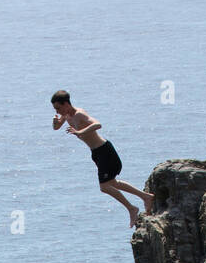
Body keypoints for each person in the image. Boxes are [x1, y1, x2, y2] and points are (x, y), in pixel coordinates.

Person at [51, 90, 154, 227]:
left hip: (105, 151)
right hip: (96, 153)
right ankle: (146, 197)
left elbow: (97, 124)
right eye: (55, 109)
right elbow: (57, 127)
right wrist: (55, 123)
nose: (58, 112)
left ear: (66, 104)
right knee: (113, 183)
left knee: (104, 187)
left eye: (58, 108)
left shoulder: (79, 114)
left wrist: (80, 132)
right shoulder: (66, 116)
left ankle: (132, 208)